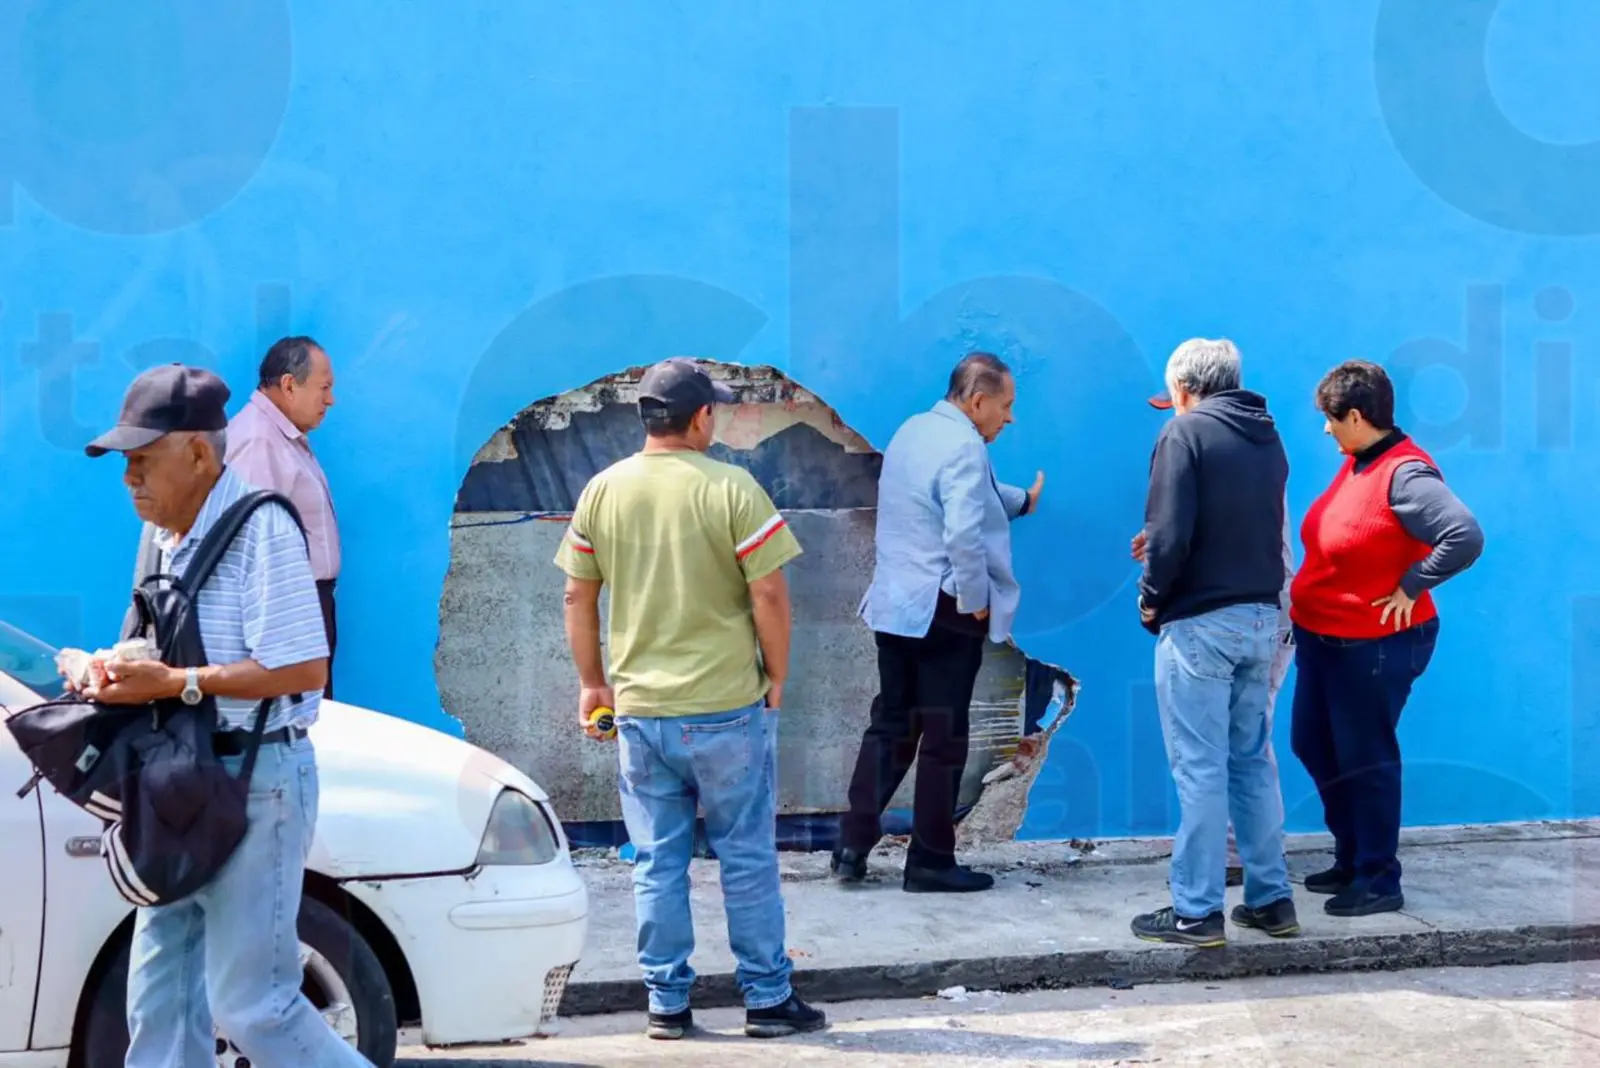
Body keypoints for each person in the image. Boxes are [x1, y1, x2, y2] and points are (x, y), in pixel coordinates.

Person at [78, 363, 368, 1066]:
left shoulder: (259, 526)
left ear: (200, 454)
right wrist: (108, 669)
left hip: (255, 780)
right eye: (126, 464)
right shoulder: (161, 536)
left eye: (144, 461)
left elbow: (305, 669)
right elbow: (154, 643)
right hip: (179, 784)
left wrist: (173, 683)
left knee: (253, 1005)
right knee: (159, 1001)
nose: (130, 480)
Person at [554, 357, 826, 1041]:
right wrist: (776, 677)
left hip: (641, 715)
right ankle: (766, 1000)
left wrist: (593, 682)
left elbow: (576, 594)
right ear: (701, 417)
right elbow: (769, 593)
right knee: (745, 855)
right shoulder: (734, 489)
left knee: (657, 861)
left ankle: (666, 1005)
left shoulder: (602, 492)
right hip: (727, 708)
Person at [833, 352, 1044, 893]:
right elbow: (963, 534)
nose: (1010, 417)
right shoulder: (966, 446)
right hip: (944, 608)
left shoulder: (914, 430)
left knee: (892, 725)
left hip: (895, 604)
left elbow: (974, 496)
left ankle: (852, 844)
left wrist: (1021, 502)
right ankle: (929, 861)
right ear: (978, 402)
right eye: (1006, 405)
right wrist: (976, 599)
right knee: (944, 736)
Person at [1289, 359, 1483, 917]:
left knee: (1366, 757)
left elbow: (1464, 534)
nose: (1324, 429)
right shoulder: (1358, 462)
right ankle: (1352, 856)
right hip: (1325, 638)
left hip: (1373, 645)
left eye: (1330, 419)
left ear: (1356, 415)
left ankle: (1379, 877)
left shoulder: (1405, 473)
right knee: (1315, 744)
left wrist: (1414, 583)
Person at [1128, 338, 1299, 947]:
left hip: (1201, 624)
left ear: (1183, 388)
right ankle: (1271, 900)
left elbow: (1168, 535)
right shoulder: (1266, 437)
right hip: (1261, 618)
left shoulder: (1185, 434)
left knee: (1199, 768)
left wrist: (1151, 597)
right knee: (1251, 760)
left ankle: (1196, 912)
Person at [226, 335, 341, 697]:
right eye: (324, 388)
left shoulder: (281, 437)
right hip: (285, 617)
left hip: (303, 608)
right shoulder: (258, 441)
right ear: (290, 385)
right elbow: (249, 544)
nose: (330, 400)